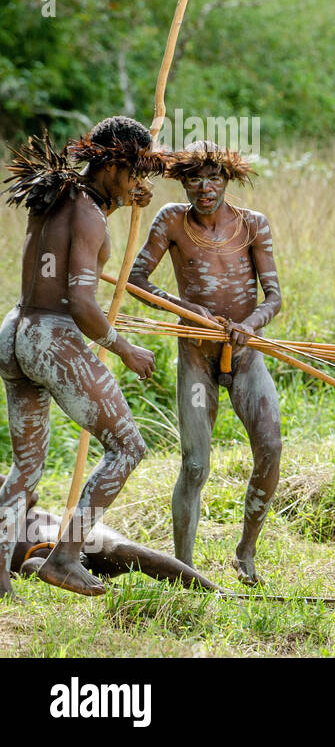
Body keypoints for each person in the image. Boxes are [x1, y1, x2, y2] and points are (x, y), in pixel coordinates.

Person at [0, 116, 165, 598]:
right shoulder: (90, 213)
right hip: (52, 339)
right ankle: (65, 559)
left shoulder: (57, 193)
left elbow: (73, 236)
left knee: (25, 469)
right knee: (128, 447)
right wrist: (125, 348)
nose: (140, 179)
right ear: (111, 163)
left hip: (14, 332)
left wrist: (120, 202)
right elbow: (81, 302)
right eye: (134, 169)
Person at [129, 140, 282, 586]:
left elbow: (274, 296)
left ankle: (246, 551)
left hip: (245, 352)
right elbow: (137, 281)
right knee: (195, 465)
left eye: (214, 178)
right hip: (196, 351)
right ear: (183, 182)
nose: (205, 188)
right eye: (194, 178)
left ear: (228, 180)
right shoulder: (171, 220)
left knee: (270, 448)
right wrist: (186, 310)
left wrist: (250, 324)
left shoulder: (253, 225)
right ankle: (185, 571)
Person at [10, 491, 219, 591]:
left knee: (123, 550)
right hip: (39, 559)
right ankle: (110, 590)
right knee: (32, 566)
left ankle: (218, 592)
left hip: (73, 533)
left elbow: (31, 494)